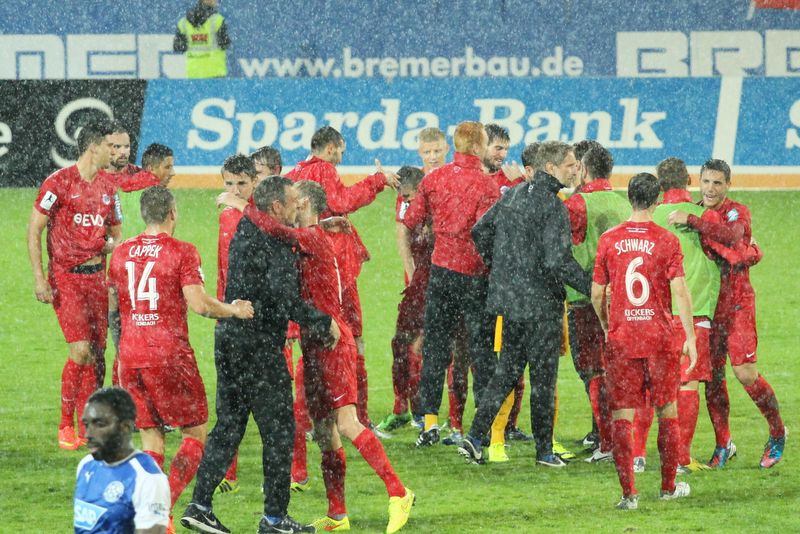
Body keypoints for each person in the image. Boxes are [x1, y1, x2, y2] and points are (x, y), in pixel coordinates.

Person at [218, 180, 416, 534]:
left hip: (332, 341)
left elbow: (274, 228)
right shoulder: (314, 236)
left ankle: (399, 492)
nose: (291, 205)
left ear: (306, 203)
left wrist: (241, 204)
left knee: (347, 423)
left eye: (295, 200)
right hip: (313, 344)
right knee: (324, 432)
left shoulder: (311, 237)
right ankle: (337, 514)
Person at [182, 176, 336, 534]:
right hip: (259, 346)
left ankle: (199, 505)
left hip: (230, 339)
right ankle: (274, 519)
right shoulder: (275, 242)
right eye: (294, 201)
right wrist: (323, 321)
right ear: (276, 207)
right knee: (280, 431)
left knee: (229, 425)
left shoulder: (247, 229)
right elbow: (284, 300)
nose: (299, 205)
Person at [107, 186, 254, 526]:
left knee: (151, 437)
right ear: (173, 213)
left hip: (130, 355)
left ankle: (148, 514)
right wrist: (233, 309)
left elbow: (113, 304)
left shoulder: (121, 252)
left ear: (144, 214)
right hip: (168, 355)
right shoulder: (182, 252)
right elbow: (200, 305)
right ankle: (162, 512)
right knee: (194, 433)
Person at [457, 141, 588, 467]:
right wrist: (592, 286)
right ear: (551, 168)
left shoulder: (513, 195)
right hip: (541, 306)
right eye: (570, 165)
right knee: (543, 380)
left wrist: (502, 267)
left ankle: (475, 437)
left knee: (506, 373)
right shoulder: (554, 206)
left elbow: (480, 230)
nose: (575, 170)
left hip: (510, 302)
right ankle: (544, 452)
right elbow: (558, 260)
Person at [669, 159, 786, 469]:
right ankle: (724, 443)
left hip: (737, 304)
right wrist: (745, 253)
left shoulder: (735, 211)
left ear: (728, 185)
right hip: (709, 307)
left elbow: (733, 236)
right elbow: (735, 252)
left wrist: (695, 223)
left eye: (717, 183)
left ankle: (777, 432)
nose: (710, 189)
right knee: (713, 377)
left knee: (745, 373)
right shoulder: (695, 210)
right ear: (698, 182)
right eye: (706, 182)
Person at [591, 172, 697, 510]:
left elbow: (597, 294)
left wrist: (607, 325)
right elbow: (680, 291)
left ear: (630, 197)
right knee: (667, 410)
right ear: (657, 200)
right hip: (659, 337)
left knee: (622, 415)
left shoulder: (609, 239)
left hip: (623, 337)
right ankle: (667, 487)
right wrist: (690, 336)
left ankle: (629, 495)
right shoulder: (667, 240)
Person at [287, 126, 399, 433]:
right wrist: (377, 181)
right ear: (330, 148)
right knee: (352, 338)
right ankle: (357, 418)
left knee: (313, 341)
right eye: (341, 151)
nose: (341, 157)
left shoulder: (296, 172)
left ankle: (309, 419)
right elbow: (343, 200)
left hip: (308, 268)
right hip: (334, 265)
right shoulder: (323, 169)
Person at [403, 121, 499, 447]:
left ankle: (429, 423)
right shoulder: (487, 186)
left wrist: (439, 225)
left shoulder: (434, 179)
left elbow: (411, 219)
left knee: (435, 347)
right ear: (479, 147)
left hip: (442, 272)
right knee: (480, 352)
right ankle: (481, 429)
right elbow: (485, 233)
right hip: (474, 275)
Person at [28, 119, 120, 451]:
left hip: (97, 278)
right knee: (80, 350)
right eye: (110, 146)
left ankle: (88, 423)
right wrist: (40, 277)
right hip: (66, 278)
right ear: (94, 148)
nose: (115, 152)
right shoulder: (59, 183)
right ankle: (65, 423)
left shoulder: (109, 188)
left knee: (97, 354)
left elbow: (116, 231)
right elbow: (34, 228)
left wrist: (110, 247)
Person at [564, 145, 631, 464]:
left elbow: (560, 244)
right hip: (622, 300)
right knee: (615, 370)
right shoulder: (623, 204)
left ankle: (606, 442)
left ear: (585, 170)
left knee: (592, 370)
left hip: (586, 299)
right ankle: (621, 438)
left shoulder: (577, 204)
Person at [106, 141, 175, 386]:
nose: (172, 173)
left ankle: (120, 397)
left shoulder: (117, 189)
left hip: (119, 276)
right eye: (167, 167)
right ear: (152, 168)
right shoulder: (157, 197)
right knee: (150, 348)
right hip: (147, 283)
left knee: (124, 346)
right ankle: (145, 399)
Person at [377, 166, 430, 433]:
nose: (406, 203)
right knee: (400, 344)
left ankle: (424, 413)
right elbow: (404, 238)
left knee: (423, 347)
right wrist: (411, 277)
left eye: (409, 197)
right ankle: (403, 408)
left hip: (437, 287)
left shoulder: (437, 214)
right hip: (418, 287)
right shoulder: (414, 214)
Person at [74, 388, 169, 534]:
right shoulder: (86, 466)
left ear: (125, 427)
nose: (88, 434)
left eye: (99, 424)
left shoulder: (146, 478)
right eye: (86, 425)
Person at [173, 0, 230, 78]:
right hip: (215, 73)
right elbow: (224, 44)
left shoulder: (184, 22)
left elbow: (178, 47)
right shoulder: (218, 20)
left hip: (194, 74)